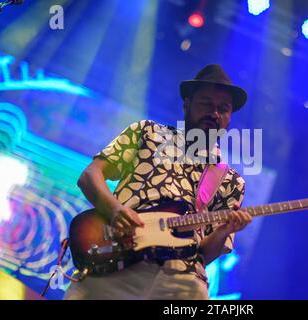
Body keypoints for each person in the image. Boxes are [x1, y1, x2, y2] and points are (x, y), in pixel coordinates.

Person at [64, 64, 252, 300]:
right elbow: (90, 176)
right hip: (117, 258)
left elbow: (205, 253)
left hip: (182, 282)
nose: (214, 114)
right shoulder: (147, 133)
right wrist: (114, 210)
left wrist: (225, 230)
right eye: (206, 104)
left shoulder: (232, 182)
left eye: (223, 109)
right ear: (186, 104)